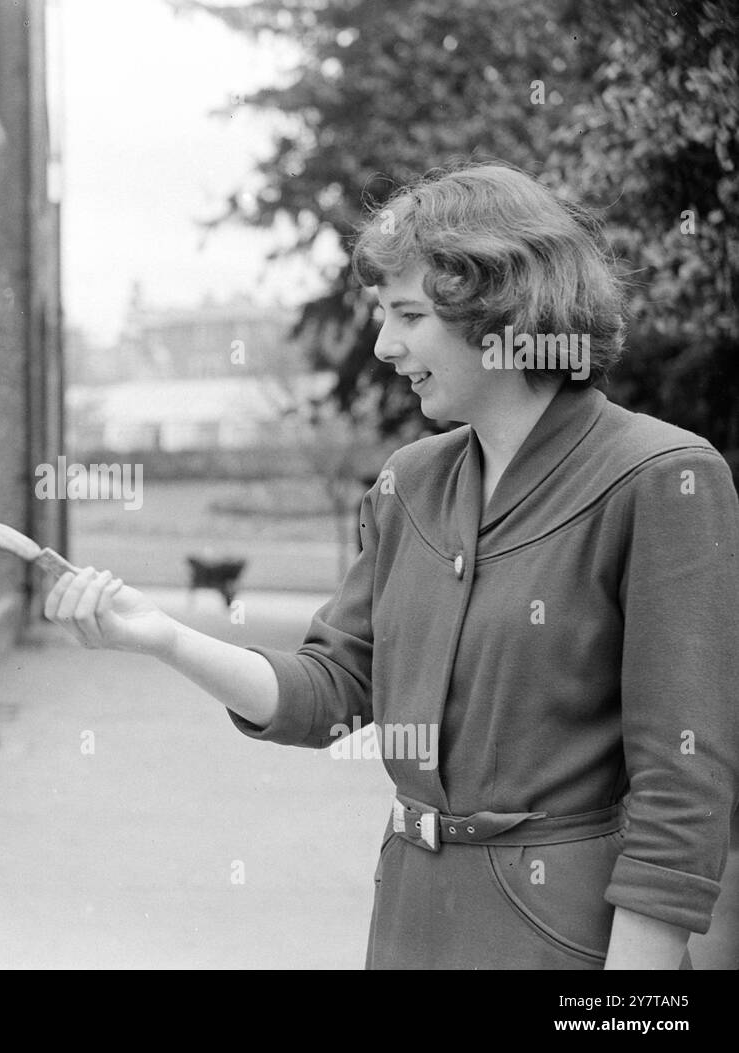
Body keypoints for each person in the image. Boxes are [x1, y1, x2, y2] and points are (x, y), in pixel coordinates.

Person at [44, 163, 739, 970]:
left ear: (507, 312)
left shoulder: (661, 477)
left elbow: (682, 786)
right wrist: (162, 637)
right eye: (384, 313)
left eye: (409, 314)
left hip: (570, 939)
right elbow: (332, 692)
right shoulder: (409, 481)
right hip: (408, 915)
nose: (384, 345)